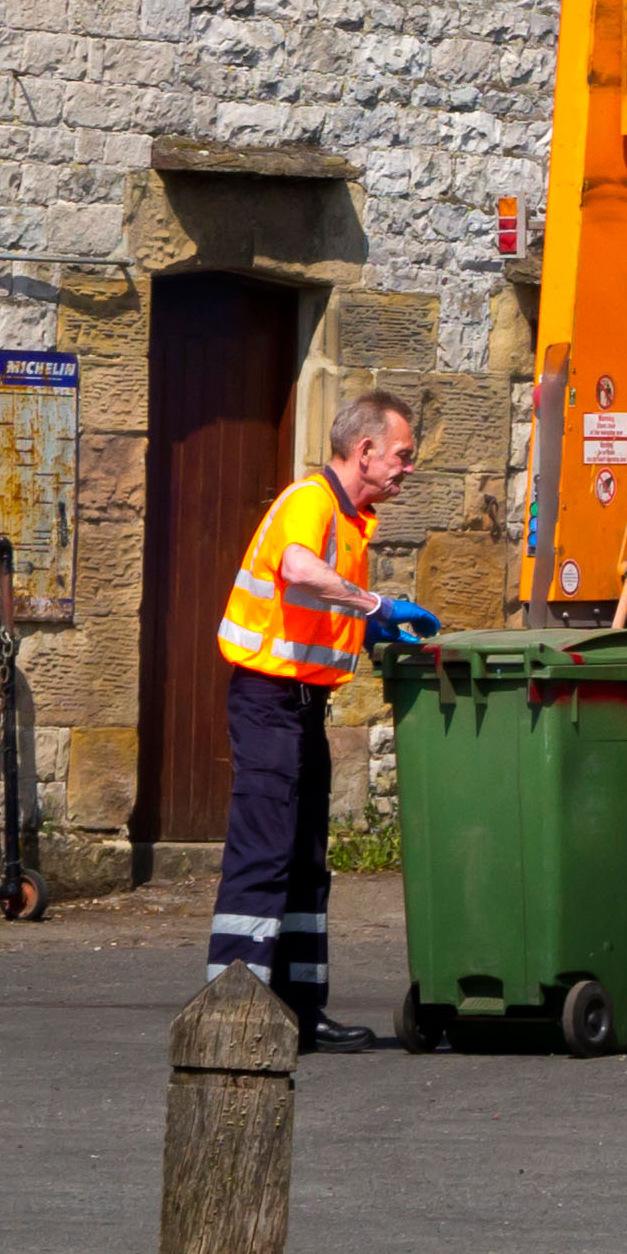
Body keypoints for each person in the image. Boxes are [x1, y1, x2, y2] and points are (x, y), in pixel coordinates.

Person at [209, 387, 437, 1049]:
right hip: (268, 704)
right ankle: (234, 1015)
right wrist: (376, 606)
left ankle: (300, 1013)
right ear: (363, 451)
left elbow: (317, 611)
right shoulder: (311, 502)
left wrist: (372, 635)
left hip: (303, 710)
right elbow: (301, 570)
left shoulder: (352, 519)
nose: (408, 468)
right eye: (402, 454)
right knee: (262, 858)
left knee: (306, 862)